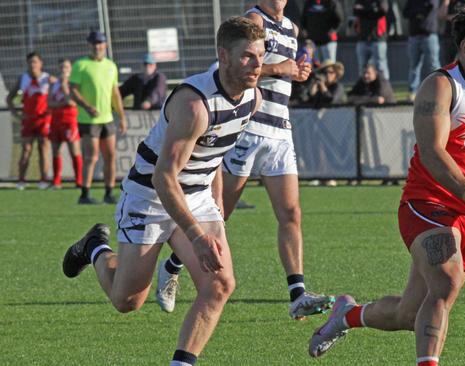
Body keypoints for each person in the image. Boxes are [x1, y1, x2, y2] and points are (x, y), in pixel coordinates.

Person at [309, 8, 465, 365]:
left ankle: (346, 314)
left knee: (409, 313)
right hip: (427, 201)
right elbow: (433, 154)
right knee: (446, 282)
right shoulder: (441, 86)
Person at [61, 17, 265, 366]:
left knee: (220, 285)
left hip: (196, 195)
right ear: (223, 56)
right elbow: (163, 178)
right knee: (127, 301)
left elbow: (212, 153)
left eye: (261, 56)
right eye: (247, 56)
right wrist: (198, 235)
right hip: (150, 196)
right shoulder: (193, 104)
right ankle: (95, 246)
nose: (257, 64)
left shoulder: (253, 98)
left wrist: (213, 203)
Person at [155, 0, 334, 320]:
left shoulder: (291, 27)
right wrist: (281, 69)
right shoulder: (253, 19)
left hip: (280, 129)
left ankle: (297, 293)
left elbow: (288, 71)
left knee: (291, 213)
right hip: (248, 130)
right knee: (221, 214)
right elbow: (233, 69)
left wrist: (300, 71)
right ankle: (172, 266)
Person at [70, 30, 127, 204]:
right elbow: (73, 90)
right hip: (88, 120)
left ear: (105, 45)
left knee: (110, 156)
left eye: (100, 43)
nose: (97, 46)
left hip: (107, 119)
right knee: (91, 156)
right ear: (89, 45)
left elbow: (115, 93)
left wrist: (122, 116)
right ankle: (85, 194)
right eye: (94, 43)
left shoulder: (110, 65)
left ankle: (109, 193)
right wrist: (87, 107)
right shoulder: (81, 65)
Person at [6, 52, 52, 190]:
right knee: (26, 149)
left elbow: (59, 93)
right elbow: (9, 98)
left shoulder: (48, 79)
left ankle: (43, 180)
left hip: (43, 120)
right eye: (30, 62)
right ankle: (21, 180)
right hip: (28, 121)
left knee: (43, 149)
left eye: (35, 62)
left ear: (41, 63)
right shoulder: (23, 78)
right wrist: (17, 114)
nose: (33, 65)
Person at [48, 58, 83, 189]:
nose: (64, 70)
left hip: (69, 120)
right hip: (56, 121)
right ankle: (56, 181)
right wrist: (61, 103)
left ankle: (79, 180)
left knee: (74, 150)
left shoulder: (72, 83)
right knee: (55, 150)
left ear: (70, 69)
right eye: (61, 67)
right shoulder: (54, 83)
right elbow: (49, 103)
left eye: (66, 67)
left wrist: (64, 86)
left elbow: (72, 102)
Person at [403, 0, 441, 102]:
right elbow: (405, 13)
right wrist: (418, 12)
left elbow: (430, 7)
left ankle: (439, 91)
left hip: (429, 35)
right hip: (414, 35)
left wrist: (415, 12)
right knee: (414, 65)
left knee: (433, 65)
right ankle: (413, 92)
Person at [353, 0, 391, 80]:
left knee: (380, 66)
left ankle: (383, 87)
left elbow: (383, 11)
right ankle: (364, 89)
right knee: (362, 67)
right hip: (362, 38)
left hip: (378, 38)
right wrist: (372, 10)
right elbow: (355, 10)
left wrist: (364, 10)